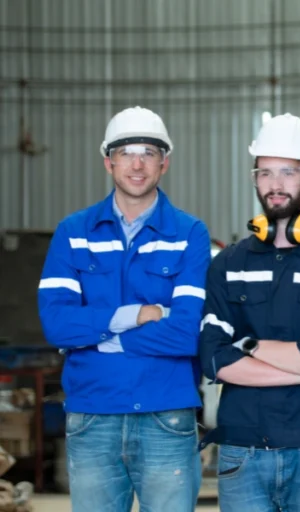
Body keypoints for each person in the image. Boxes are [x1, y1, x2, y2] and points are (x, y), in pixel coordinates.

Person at [37, 106, 210, 511]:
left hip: (166, 415)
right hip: (93, 415)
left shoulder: (189, 234)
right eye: (125, 152)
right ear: (108, 161)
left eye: (148, 152)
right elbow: (57, 325)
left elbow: (187, 332)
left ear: (164, 163)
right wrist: (133, 316)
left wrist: (101, 339)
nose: (136, 164)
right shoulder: (73, 233)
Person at [197, 113, 300, 512]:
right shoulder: (229, 263)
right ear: (255, 178)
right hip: (241, 453)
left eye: (288, 172)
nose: (275, 184)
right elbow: (213, 356)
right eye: (265, 172)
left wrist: (249, 344)